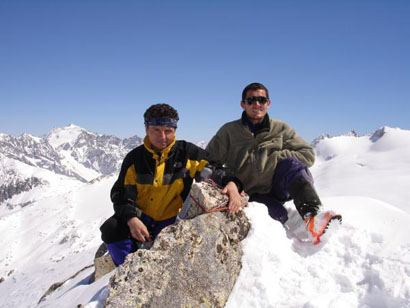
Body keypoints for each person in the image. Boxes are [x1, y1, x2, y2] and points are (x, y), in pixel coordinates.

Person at [100, 103, 243, 266]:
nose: (163, 137)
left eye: (168, 131)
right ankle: (127, 269)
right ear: (147, 129)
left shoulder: (187, 153)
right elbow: (120, 195)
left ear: (175, 130)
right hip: (142, 218)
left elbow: (214, 167)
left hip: (173, 220)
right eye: (156, 130)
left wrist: (231, 182)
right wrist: (132, 219)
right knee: (111, 229)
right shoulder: (134, 159)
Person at [206, 82, 341, 244]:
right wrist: (230, 182)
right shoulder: (229, 131)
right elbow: (208, 161)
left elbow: (308, 155)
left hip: (275, 189)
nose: (257, 104)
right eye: (251, 100)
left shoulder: (280, 128)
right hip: (245, 196)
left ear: (268, 103)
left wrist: (276, 156)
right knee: (277, 220)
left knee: (292, 163)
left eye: (261, 100)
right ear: (243, 104)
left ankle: (313, 217)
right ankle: (293, 229)